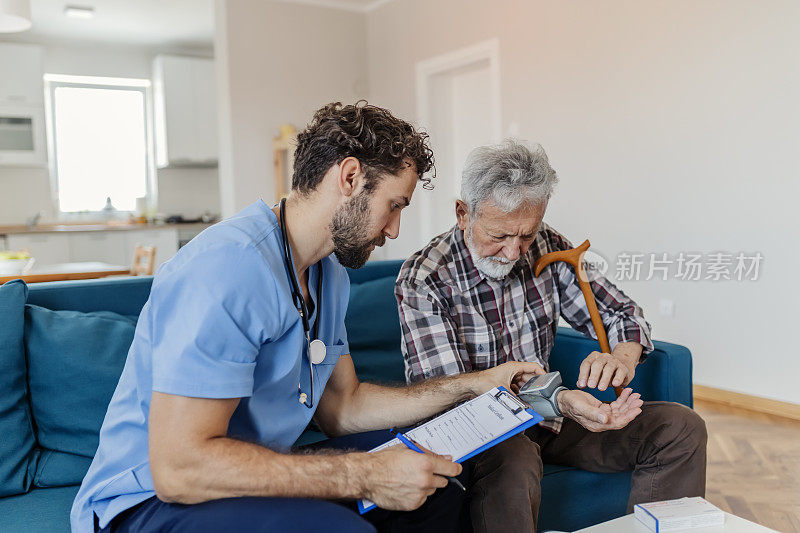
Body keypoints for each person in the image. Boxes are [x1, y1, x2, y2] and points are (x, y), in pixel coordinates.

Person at [70, 103, 544, 533]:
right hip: (149, 502)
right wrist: (365, 475)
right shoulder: (226, 268)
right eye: (394, 205)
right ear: (351, 177)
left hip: (248, 471)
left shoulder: (328, 271)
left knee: (435, 489)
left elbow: (343, 409)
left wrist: (473, 384)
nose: (395, 229)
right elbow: (180, 468)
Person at [395, 139, 708, 533]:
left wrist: (621, 357)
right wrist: (557, 399)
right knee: (513, 456)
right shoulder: (424, 278)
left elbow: (623, 314)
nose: (514, 253)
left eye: (526, 235)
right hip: (484, 430)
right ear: (462, 213)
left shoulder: (548, 246)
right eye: (500, 236)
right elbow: (453, 395)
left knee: (680, 427)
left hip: (552, 419)